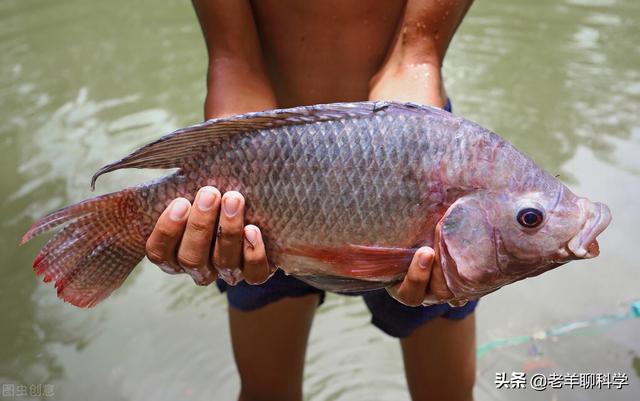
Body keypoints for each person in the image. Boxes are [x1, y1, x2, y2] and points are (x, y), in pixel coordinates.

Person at [144, 1, 476, 400]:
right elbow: (236, 60)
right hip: (266, 166)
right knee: (267, 391)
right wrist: (225, 187)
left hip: (409, 156)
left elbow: (414, 55)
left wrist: (408, 187)